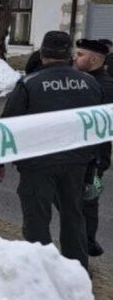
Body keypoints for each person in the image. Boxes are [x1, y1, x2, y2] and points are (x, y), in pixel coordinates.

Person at [0, 31, 103, 270]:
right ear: (70, 55)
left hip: (37, 164)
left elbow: (7, 126)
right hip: (77, 163)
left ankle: (41, 274)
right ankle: (77, 275)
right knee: (73, 217)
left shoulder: (29, 84)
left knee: (37, 220)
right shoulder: (90, 83)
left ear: (42, 54)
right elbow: (96, 125)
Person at [73, 39, 113, 257]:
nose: (74, 58)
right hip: (84, 156)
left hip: (95, 159)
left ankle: (86, 242)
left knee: (89, 199)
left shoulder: (104, 87)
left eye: (80, 54)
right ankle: (86, 240)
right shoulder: (82, 81)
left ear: (95, 59)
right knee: (85, 202)